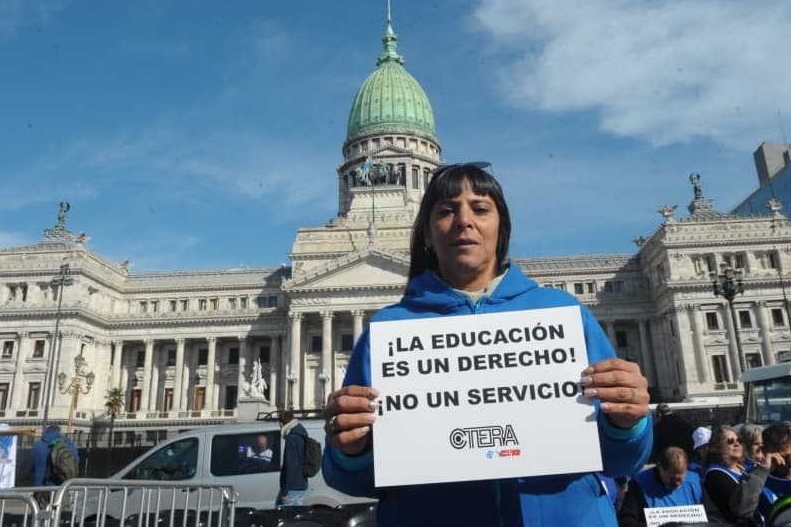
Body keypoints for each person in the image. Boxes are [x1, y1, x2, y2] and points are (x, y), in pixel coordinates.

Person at [320, 163, 653, 526]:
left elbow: (624, 461)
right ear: (427, 233)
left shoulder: (563, 314)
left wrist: (628, 422)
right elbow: (354, 480)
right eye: (446, 210)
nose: (464, 220)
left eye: (480, 208)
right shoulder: (387, 330)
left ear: (501, 229)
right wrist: (351, 450)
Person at [618, 447, 702, 527]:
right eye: (673, 478)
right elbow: (626, 522)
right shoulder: (639, 484)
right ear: (660, 467)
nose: (677, 483)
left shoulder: (694, 482)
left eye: (681, 479)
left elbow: (712, 515)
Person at [700, 425, 749, 525]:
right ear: (718, 447)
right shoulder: (715, 474)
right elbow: (740, 505)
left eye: (739, 440)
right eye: (730, 441)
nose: (736, 444)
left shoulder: (743, 469)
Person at [277, 410, 308, 508]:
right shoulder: (301, 434)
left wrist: (285, 491)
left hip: (292, 487)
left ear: (282, 423)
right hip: (301, 483)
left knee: (284, 516)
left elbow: (290, 465)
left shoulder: (292, 438)